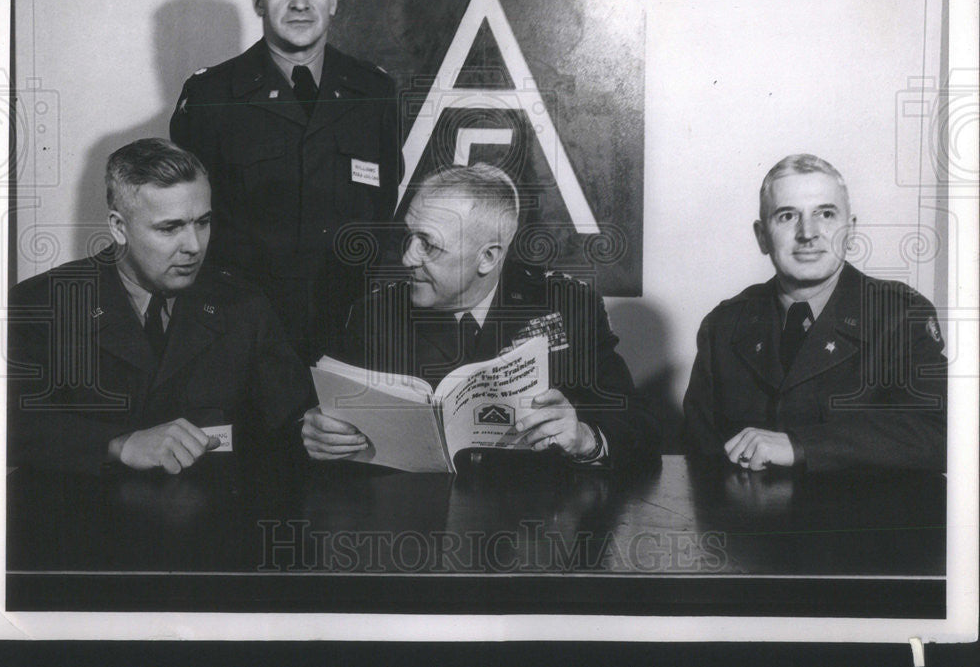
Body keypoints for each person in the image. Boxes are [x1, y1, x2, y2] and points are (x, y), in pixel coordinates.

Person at [302, 163, 660, 468]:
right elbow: (319, 421)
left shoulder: (567, 305)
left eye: (428, 243)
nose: (408, 257)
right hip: (413, 531)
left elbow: (642, 431)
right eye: (408, 237)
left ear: (488, 257)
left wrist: (585, 438)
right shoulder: (374, 314)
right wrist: (316, 434)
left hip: (533, 532)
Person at [8, 139, 315, 476]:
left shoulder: (242, 304)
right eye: (170, 228)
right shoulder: (41, 305)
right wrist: (118, 445)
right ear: (118, 227)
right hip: (81, 518)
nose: (194, 246)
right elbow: (5, 427)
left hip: (213, 516)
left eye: (202, 222)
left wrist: (316, 433)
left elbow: (289, 419)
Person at [170, 0, 401, 364]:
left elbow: (381, 210)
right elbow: (189, 227)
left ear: (333, 0)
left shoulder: (375, 91)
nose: (300, 4)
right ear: (258, 0)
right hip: (239, 338)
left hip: (349, 335)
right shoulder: (211, 96)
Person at [683, 154, 946, 472]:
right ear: (762, 237)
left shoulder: (900, 316)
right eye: (786, 216)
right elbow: (702, 456)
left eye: (825, 214)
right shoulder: (724, 326)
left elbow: (939, 433)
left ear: (850, 230)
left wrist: (800, 446)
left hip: (866, 520)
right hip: (748, 521)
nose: (808, 232)